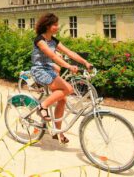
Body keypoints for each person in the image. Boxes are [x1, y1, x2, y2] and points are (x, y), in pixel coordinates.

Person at [31, 13, 92, 143]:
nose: (57, 27)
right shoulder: (40, 40)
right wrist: (69, 67)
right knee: (68, 89)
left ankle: (57, 132)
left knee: (63, 99)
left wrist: (85, 63)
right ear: (47, 26)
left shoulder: (53, 41)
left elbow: (69, 52)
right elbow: (53, 57)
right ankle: (42, 107)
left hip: (50, 70)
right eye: (55, 25)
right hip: (40, 70)